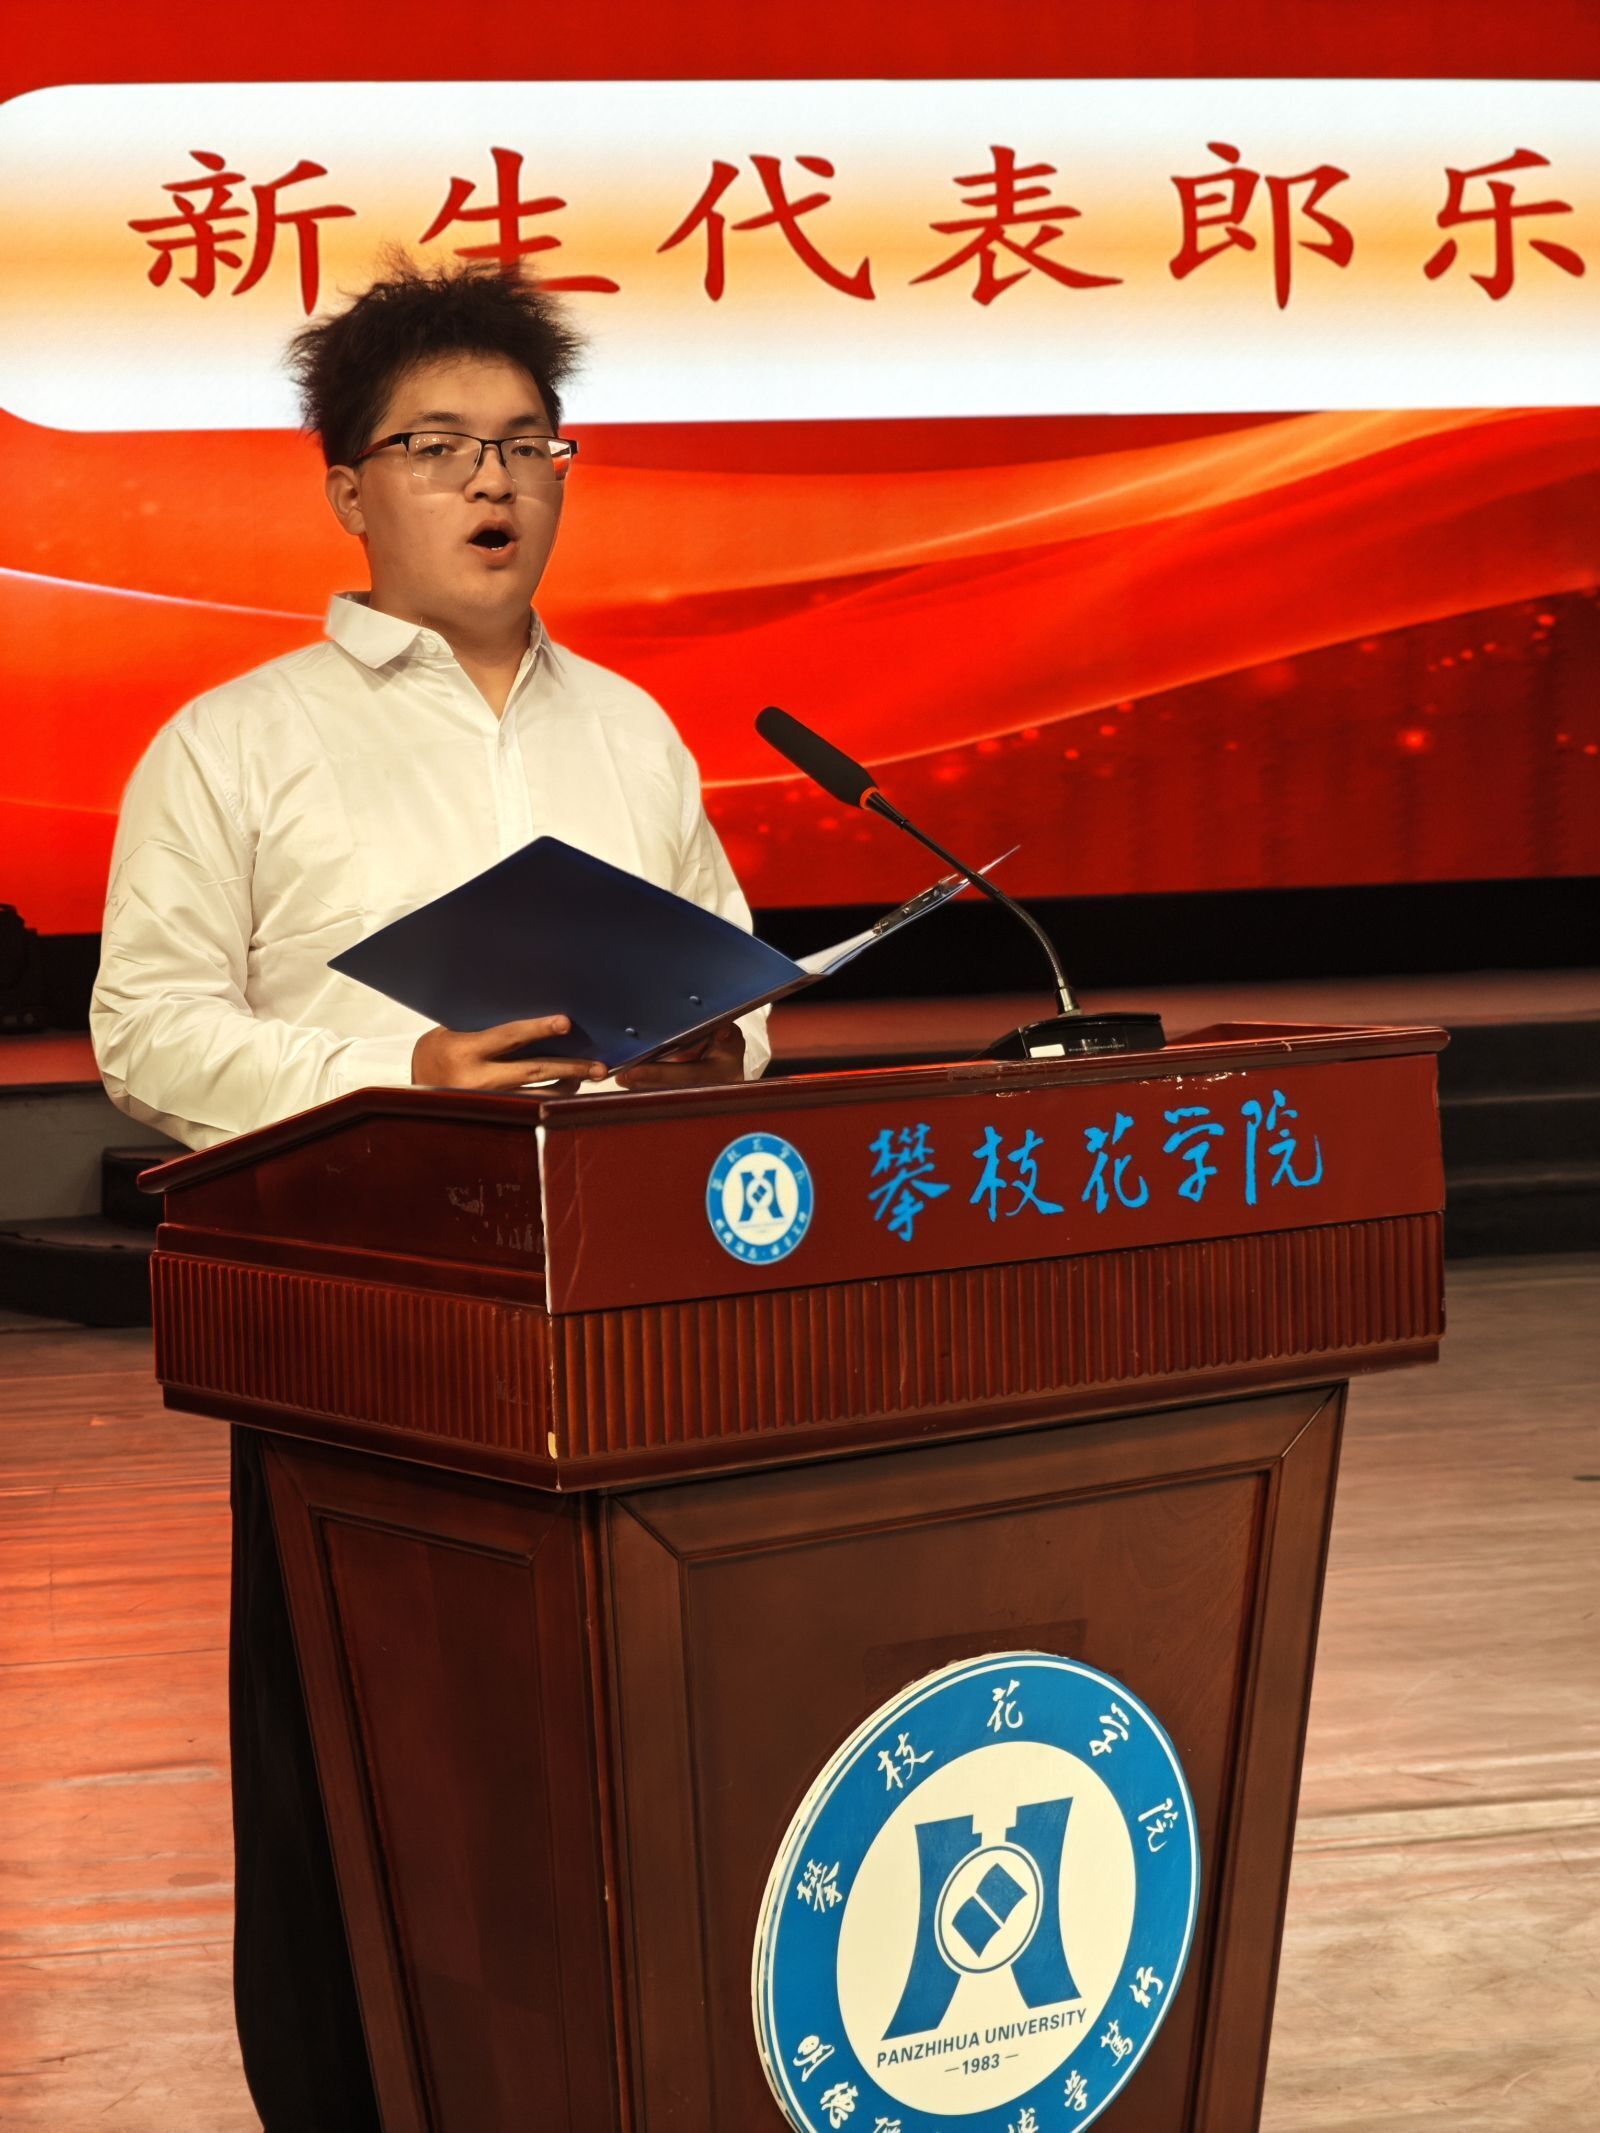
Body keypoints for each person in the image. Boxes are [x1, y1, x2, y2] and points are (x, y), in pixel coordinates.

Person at [90, 260, 768, 2131]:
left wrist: (719, 1056)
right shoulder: (237, 739)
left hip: (624, 1325)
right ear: (349, 488)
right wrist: (401, 1077)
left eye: (531, 445)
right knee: (370, 1775)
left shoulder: (630, 730)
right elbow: (143, 1024)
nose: (496, 480)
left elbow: (731, 988)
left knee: (612, 1764)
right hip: (368, 1324)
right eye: (443, 446)